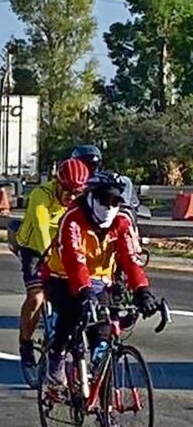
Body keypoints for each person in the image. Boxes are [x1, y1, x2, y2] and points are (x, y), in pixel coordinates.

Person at [42, 171, 158, 391]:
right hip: (63, 278)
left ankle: (106, 412)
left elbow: (131, 260)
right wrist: (85, 293)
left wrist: (142, 291)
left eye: (116, 202)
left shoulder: (122, 222)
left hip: (100, 281)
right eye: (104, 201)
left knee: (103, 337)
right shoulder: (73, 219)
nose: (109, 207)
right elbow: (74, 260)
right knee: (72, 314)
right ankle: (57, 355)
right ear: (91, 197)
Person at [14, 157, 89, 372]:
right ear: (57, 183)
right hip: (35, 248)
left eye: (78, 193)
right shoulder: (41, 194)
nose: (72, 197)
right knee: (37, 296)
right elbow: (41, 227)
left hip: (64, 250)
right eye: (68, 191)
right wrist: (48, 256)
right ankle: (26, 344)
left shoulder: (81, 200)